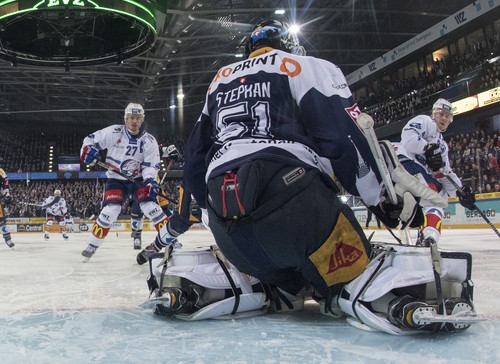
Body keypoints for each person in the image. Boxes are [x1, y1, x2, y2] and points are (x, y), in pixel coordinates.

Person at [141, 20, 476, 333]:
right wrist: (380, 200)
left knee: (286, 279)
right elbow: (345, 137)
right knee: (351, 271)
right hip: (297, 208)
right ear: (288, 45)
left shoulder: (220, 80)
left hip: (231, 229)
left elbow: (194, 159)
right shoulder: (304, 66)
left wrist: (208, 213)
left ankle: (248, 286)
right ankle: (388, 297)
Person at [79, 102, 169, 261]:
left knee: (151, 208)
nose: (134, 121)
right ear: (126, 119)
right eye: (131, 118)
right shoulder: (114, 132)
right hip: (116, 179)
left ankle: (170, 241)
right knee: (110, 211)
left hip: (139, 180)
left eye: (138, 118)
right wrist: (87, 151)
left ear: (142, 119)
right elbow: (90, 140)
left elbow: (151, 165)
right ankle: (92, 245)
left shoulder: (149, 141)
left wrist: (149, 181)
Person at [396, 98, 477, 246]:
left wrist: (460, 191)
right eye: (442, 114)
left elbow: (443, 173)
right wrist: (427, 149)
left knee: (440, 194)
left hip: (416, 172)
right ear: (434, 113)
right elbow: (408, 136)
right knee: (435, 197)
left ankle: (428, 235)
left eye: (448, 116)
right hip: (403, 162)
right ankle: (429, 235)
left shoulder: (443, 147)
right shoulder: (426, 121)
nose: (444, 118)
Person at [0, 168, 14, 248]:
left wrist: (7, 195)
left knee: (1, 222)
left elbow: (4, 185)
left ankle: (7, 239)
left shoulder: (0, 171)